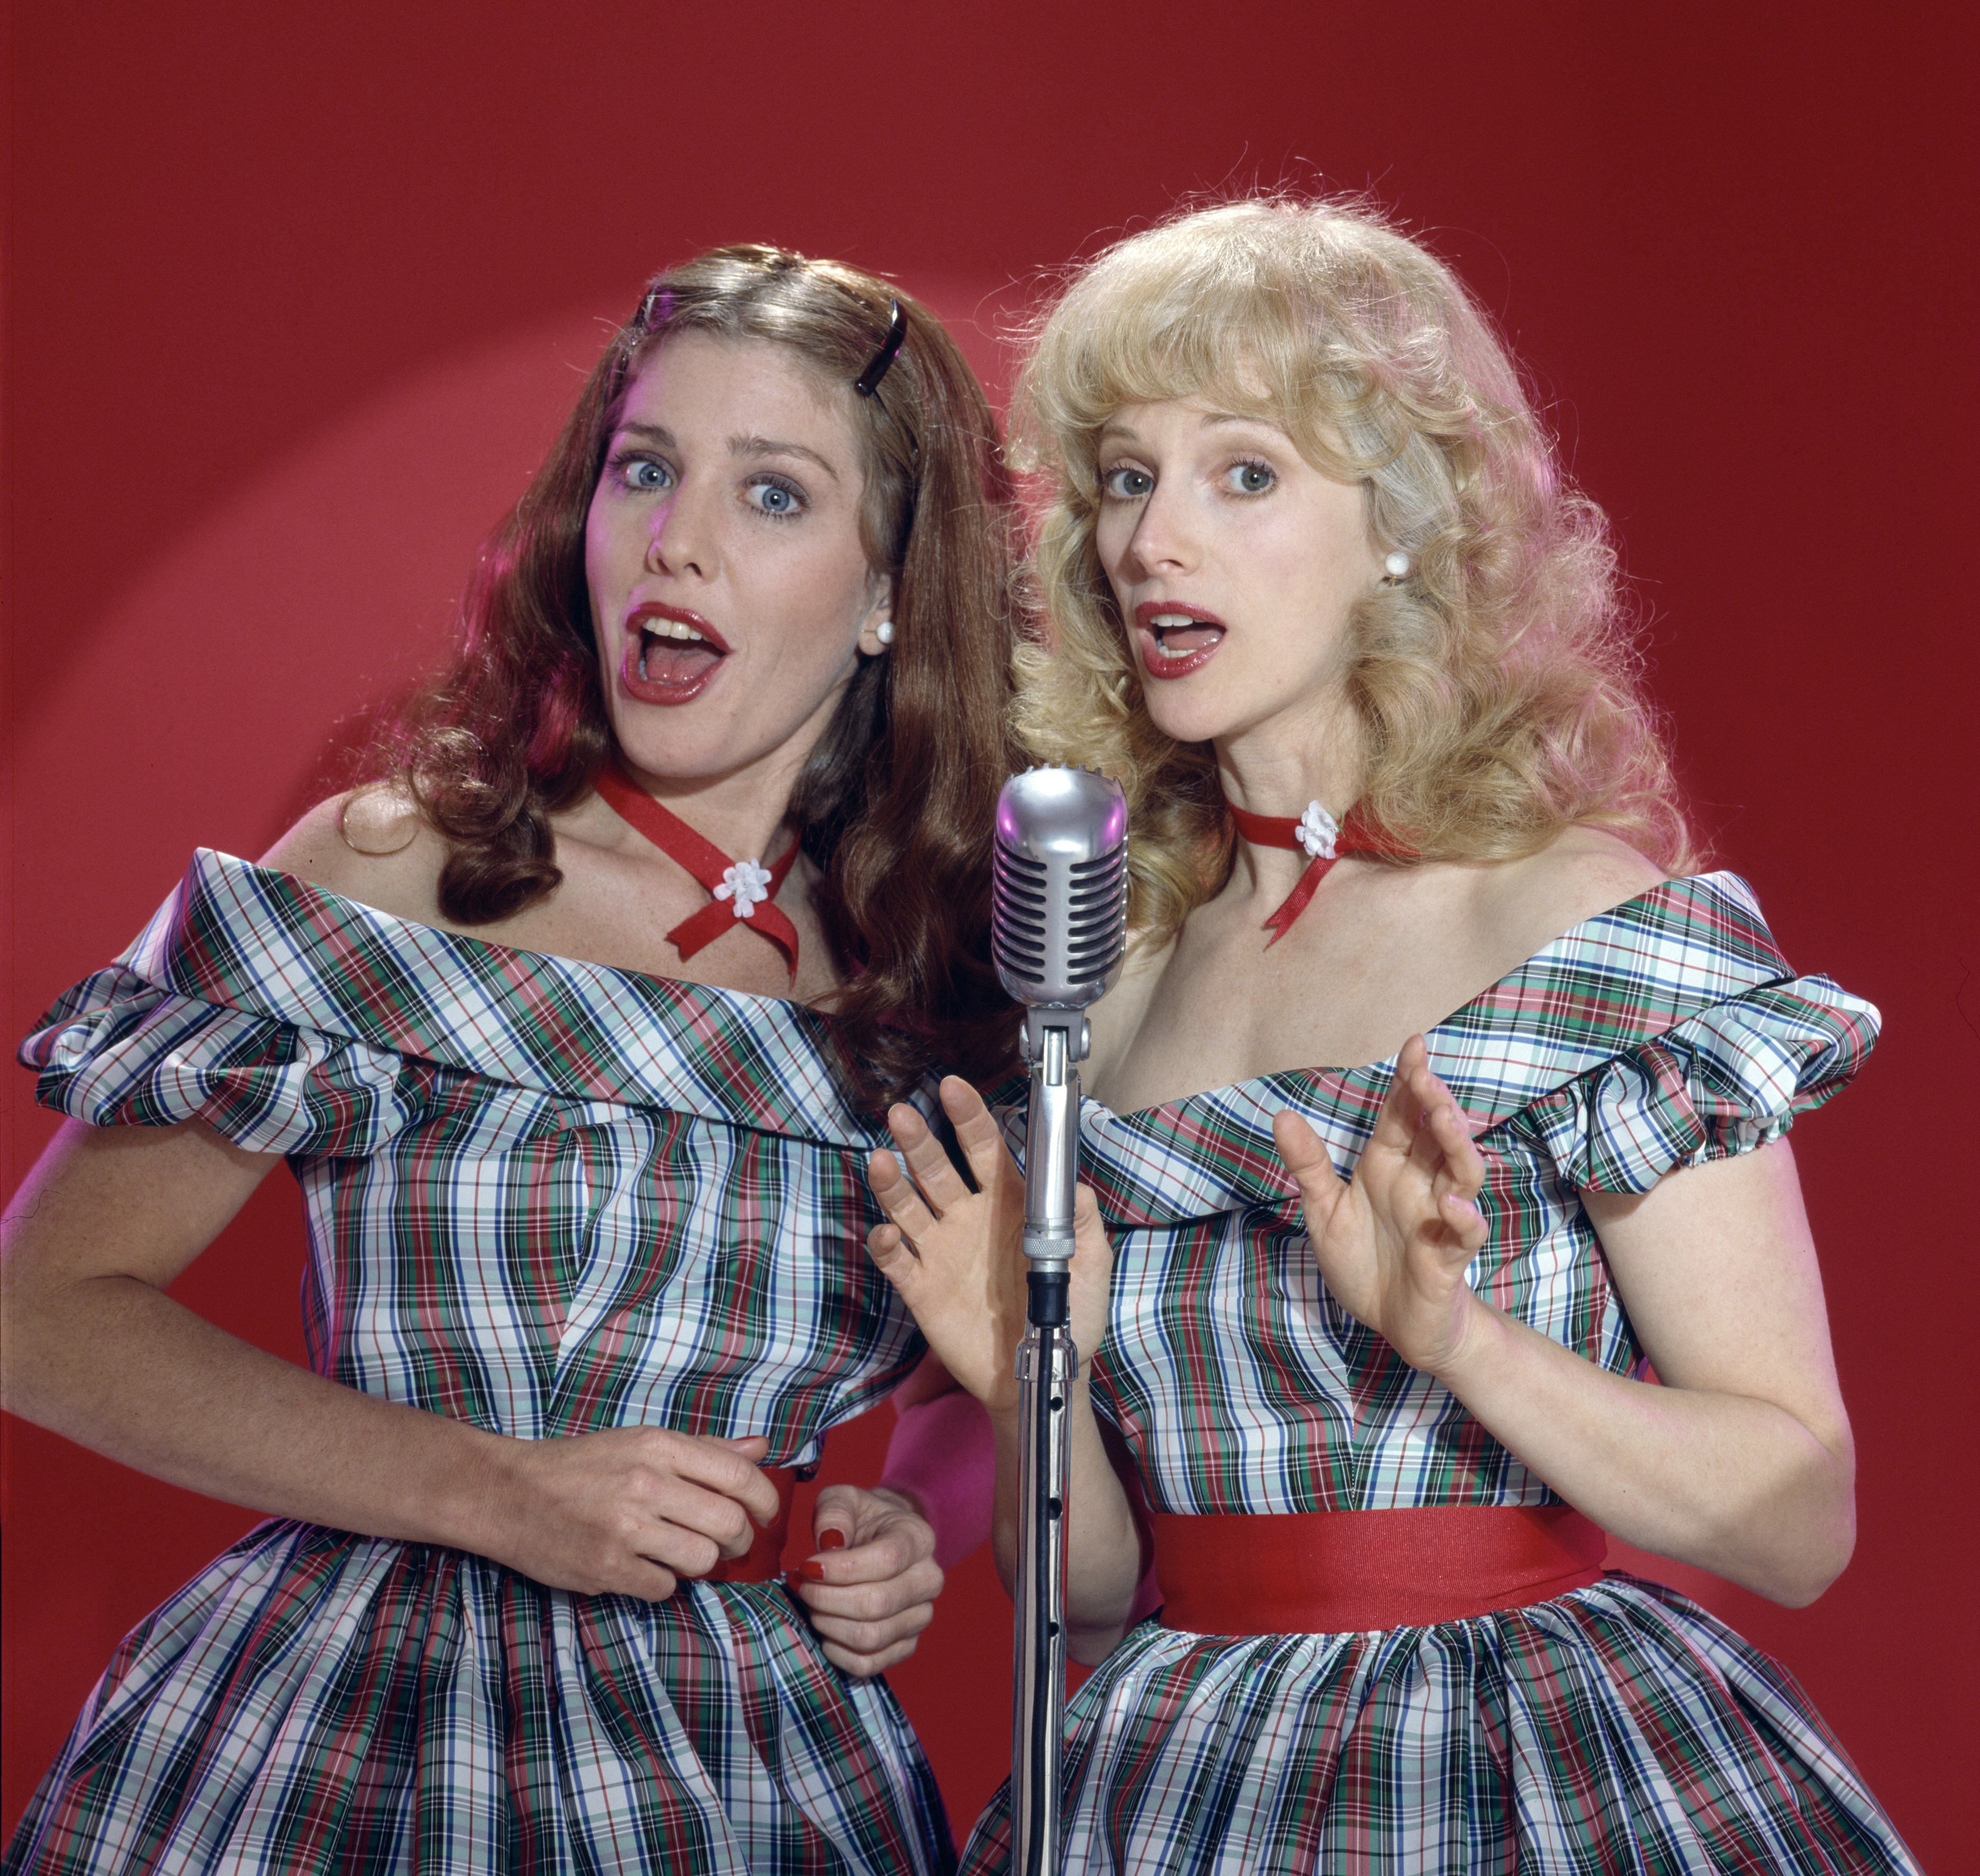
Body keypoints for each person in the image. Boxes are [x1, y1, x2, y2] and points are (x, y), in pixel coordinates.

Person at [866, 200, 1921, 1873]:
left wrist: (1461, 1343)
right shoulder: (1115, 965)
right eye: (1125, 478)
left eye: (1244, 473)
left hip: (1526, 1764)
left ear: (1403, 525)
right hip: (1174, 1773)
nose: (1151, 544)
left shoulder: (1576, 927)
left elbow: (1796, 1521)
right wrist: (1022, 1374)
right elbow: (1086, 1586)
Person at [1, 245, 1025, 1875]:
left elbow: (991, 1356)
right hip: (354, 1735)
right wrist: (490, 1489)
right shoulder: (395, 875)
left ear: (892, 588)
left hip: (761, 1781)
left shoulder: (950, 980)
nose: (674, 539)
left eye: (772, 496)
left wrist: (910, 1523)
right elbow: (34, 1318)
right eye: (644, 468)